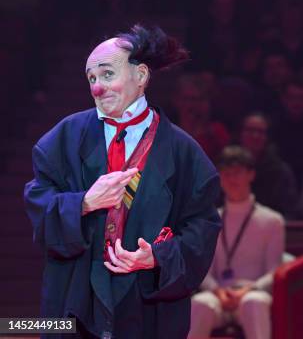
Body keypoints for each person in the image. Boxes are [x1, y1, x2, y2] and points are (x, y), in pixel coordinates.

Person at [24, 25, 222, 338]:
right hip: (77, 297)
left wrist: (157, 257)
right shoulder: (63, 138)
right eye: (91, 78)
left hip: (146, 306)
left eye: (106, 74)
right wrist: (85, 202)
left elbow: (202, 228)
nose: (97, 88)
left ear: (141, 76)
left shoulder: (184, 152)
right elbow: (39, 207)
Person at [190, 146, 285, 339]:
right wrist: (216, 290)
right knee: (200, 303)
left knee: (254, 302)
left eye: (238, 172)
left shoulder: (272, 220)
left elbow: (274, 270)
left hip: (252, 292)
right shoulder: (210, 219)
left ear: (251, 175)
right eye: (226, 173)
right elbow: (203, 270)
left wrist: (246, 290)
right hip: (219, 295)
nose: (232, 178)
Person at [239, 112, 299, 218]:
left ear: (268, 137)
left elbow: (289, 212)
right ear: (241, 133)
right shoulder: (226, 169)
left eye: (260, 132)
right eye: (250, 130)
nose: (255, 136)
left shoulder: (281, 172)